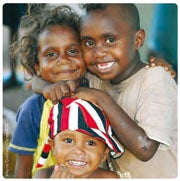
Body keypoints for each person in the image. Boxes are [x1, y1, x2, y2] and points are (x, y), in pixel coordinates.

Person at [33, 4, 177, 178]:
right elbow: (35, 79)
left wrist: (102, 99)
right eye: (89, 43)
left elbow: (145, 149)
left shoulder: (155, 79)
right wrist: (47, 88)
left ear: (138, 40)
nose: (99, 52)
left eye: (110, 40)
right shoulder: (95, 77)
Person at [8, 5, 86, 178]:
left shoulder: (94, 89)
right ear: (37, 66)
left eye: (72, 51)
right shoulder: (32, 110)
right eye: (51, 54)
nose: (64, 60)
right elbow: (23, 169)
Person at [35, 97, 121, 178]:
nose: (79, 151)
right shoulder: (43, 176)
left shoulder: (109, 178)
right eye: (68, 140)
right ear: (53, 146)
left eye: (90, 143)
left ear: (104, 154)